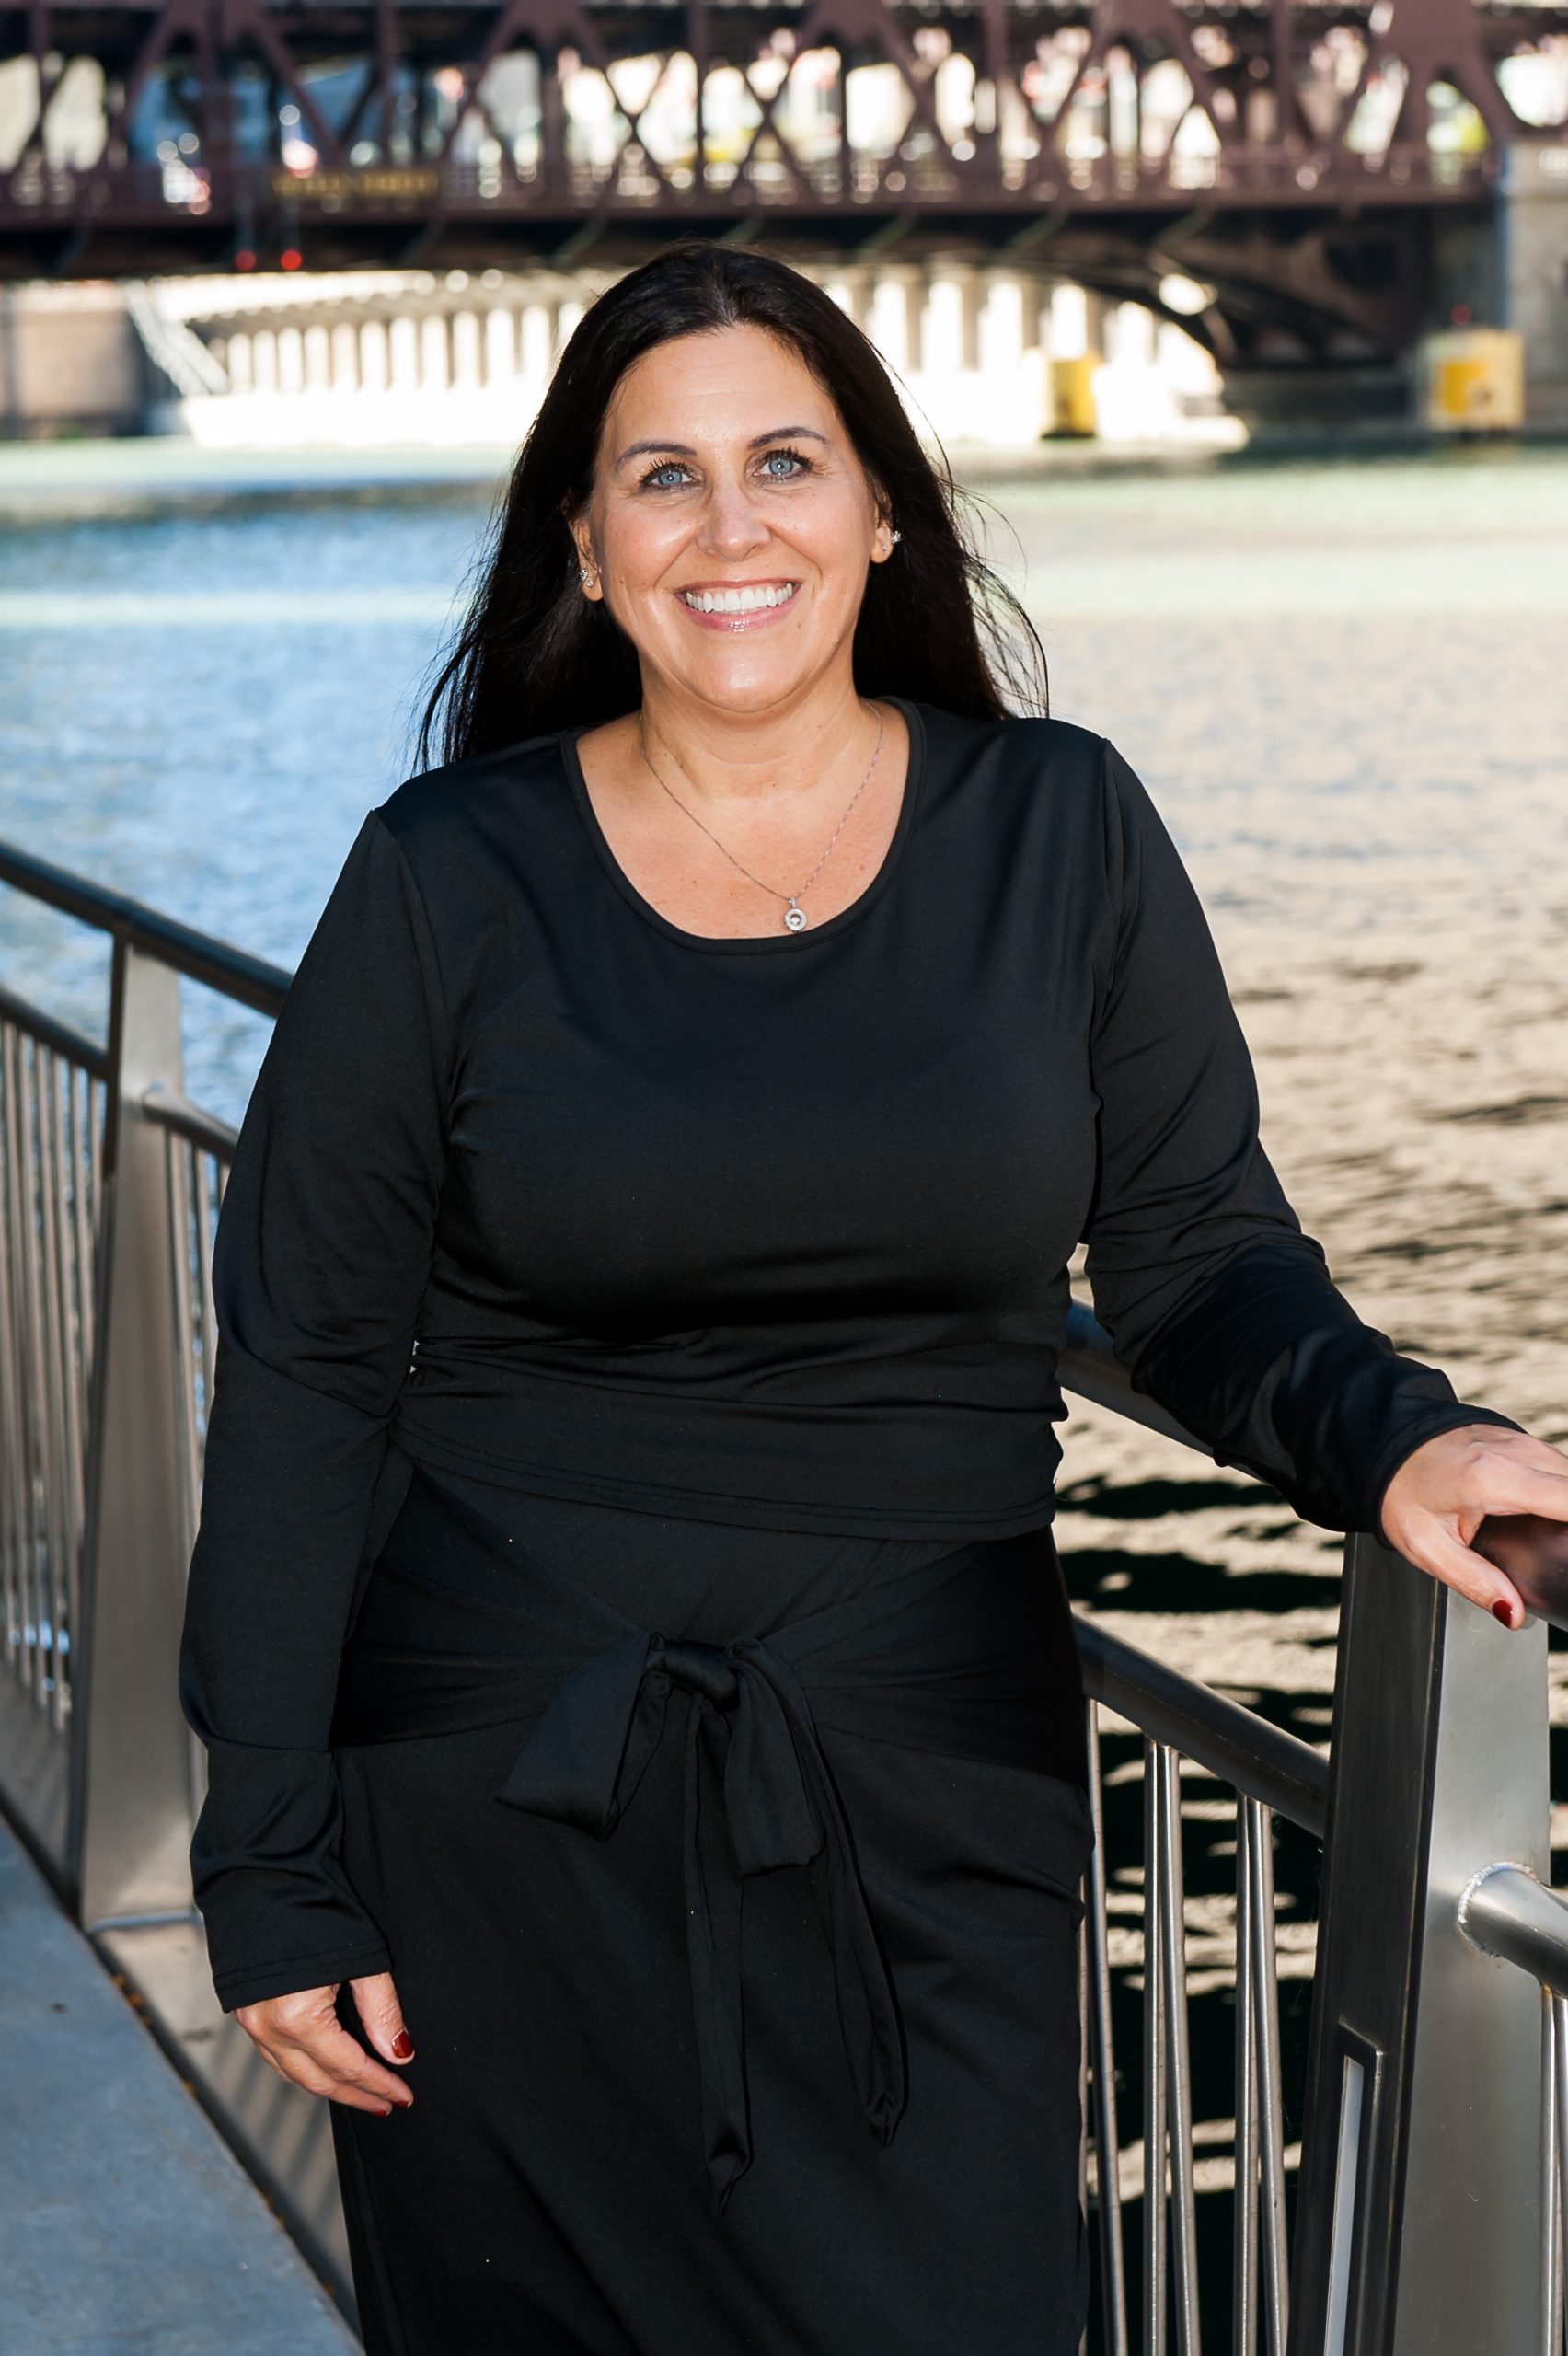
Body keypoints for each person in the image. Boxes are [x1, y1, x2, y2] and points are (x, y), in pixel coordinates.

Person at [178, 241, 1568, 2356]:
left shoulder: (1060, 829)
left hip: (927, 1781)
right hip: (495, 1798)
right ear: (584, 535)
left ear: (884, 506)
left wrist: (1402, 1433)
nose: (730, 530)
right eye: (662, 476)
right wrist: (269, 1853)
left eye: (785, 462)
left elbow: (1196, 1251)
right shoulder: (444, 874)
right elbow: (300, 1375)